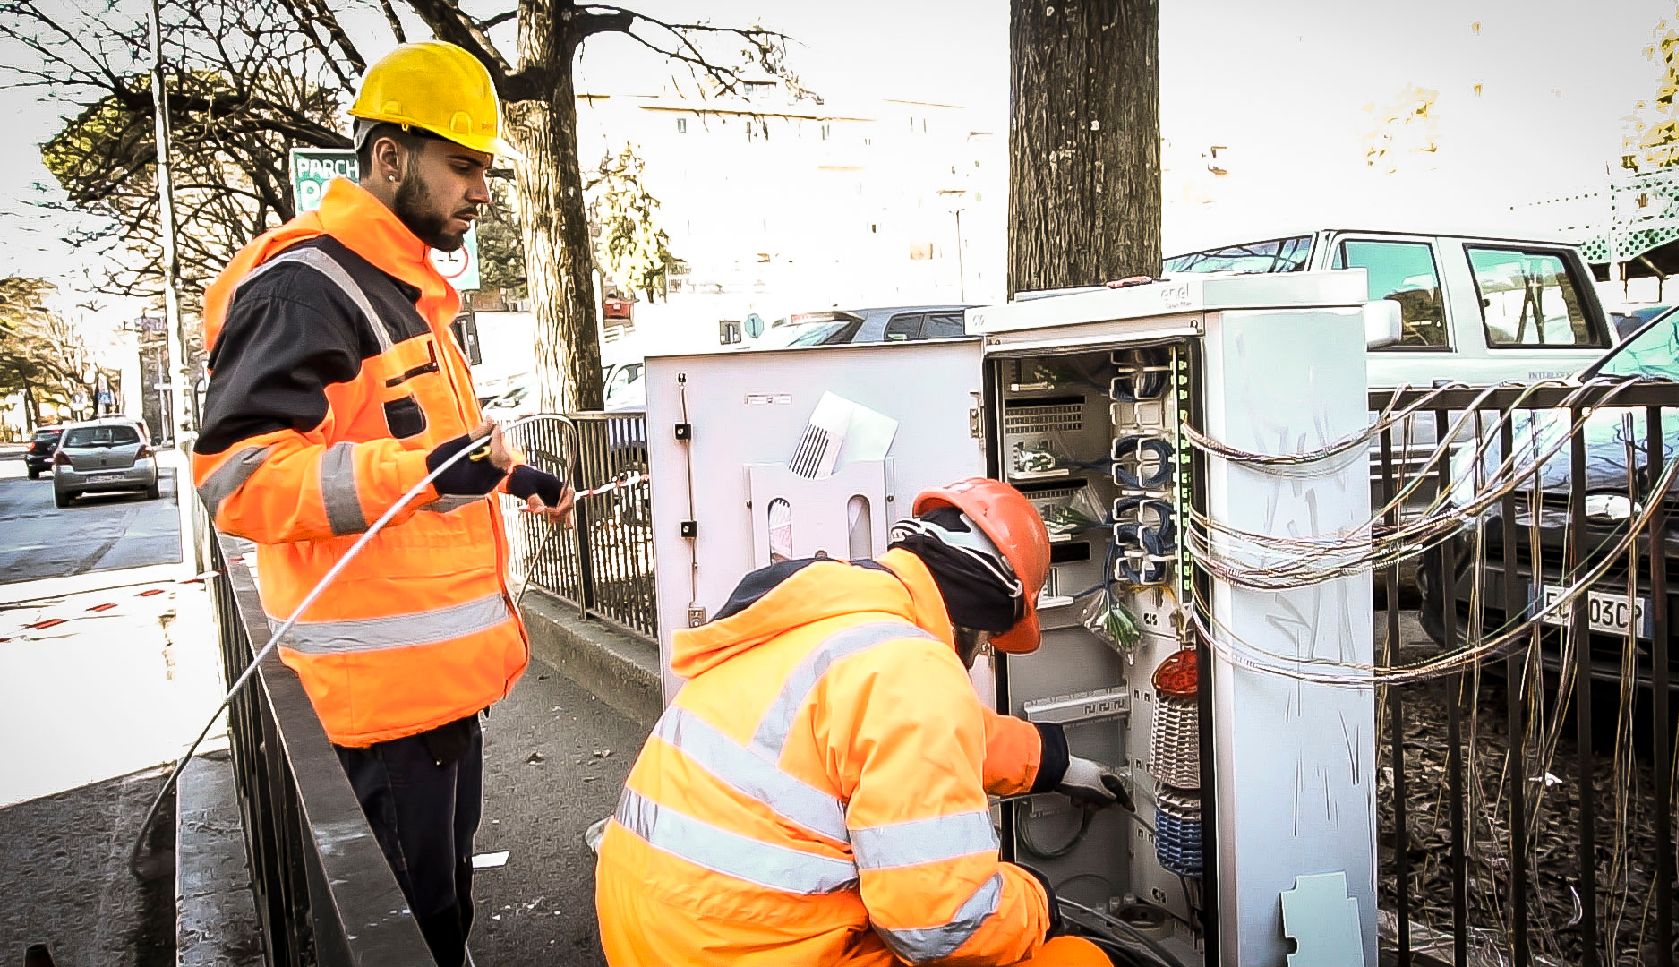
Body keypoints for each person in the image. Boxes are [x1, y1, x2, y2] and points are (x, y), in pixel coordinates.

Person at [191, 40, 571, 966]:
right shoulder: (308, 289)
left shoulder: (408, 293)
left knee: (440, 919)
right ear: (389, 156)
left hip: (435, 693)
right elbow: (237, 479)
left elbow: (418, 443)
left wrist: (507, 472)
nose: (481, 192)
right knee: (408, 935)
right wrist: (419, 474)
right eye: (463, 166)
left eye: (485, 168)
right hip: (378, 709)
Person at [595, 477, 1129, 966]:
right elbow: (939, 927)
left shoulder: (833, 622)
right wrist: (1037, 902)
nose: (980, 655)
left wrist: (1055, 763)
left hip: (651, 926)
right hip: (738, 949)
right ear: (979, 613)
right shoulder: (911, 668)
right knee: (1077, 960)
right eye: (989, 641)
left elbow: (919, 739)